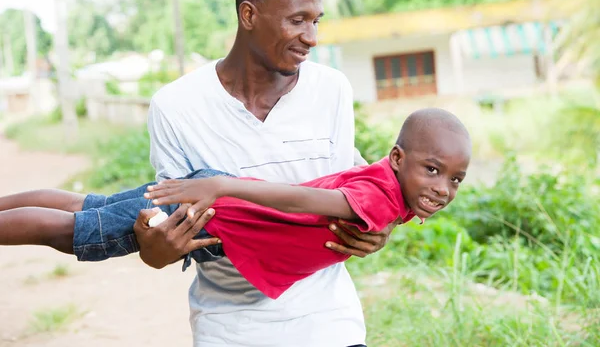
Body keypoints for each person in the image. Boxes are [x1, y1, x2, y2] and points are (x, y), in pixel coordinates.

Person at [131, 0, 385, 346]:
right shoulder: (176, 106)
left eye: (316, 22)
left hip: (330, 323)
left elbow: (357, 187)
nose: (312, 37)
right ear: (248, 16)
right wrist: (156, 251)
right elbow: (170, 233)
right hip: (230, 329)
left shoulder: (332, 90)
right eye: (297, 20)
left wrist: (375, 229)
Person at [0, 108, 471, 301]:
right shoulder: (382, 199)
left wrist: (221, 187)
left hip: (215, 200)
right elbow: (303, 199)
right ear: (397, 159)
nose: (443, 188)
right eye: (432, 170)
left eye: (455, 179)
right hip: (211, 215)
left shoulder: (386, 179)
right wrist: (223, 188)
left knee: (88, 206)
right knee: (70, 231)